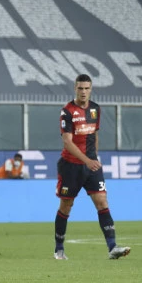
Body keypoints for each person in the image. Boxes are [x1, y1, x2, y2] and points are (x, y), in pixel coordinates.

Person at [54, 73, 131, 260]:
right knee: (66, 206)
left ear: (91, 89)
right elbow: (67, 142)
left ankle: (112, 247)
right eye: (80, 88)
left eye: (87, 88)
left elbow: (94, 135)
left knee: (102, 201)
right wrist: (87, 160)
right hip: (71, 166)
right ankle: (59, 249)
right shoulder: (67, 111)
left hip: (91, 166)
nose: (83, 91)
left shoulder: (95, 109)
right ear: (75, 88)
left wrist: (93, 158)